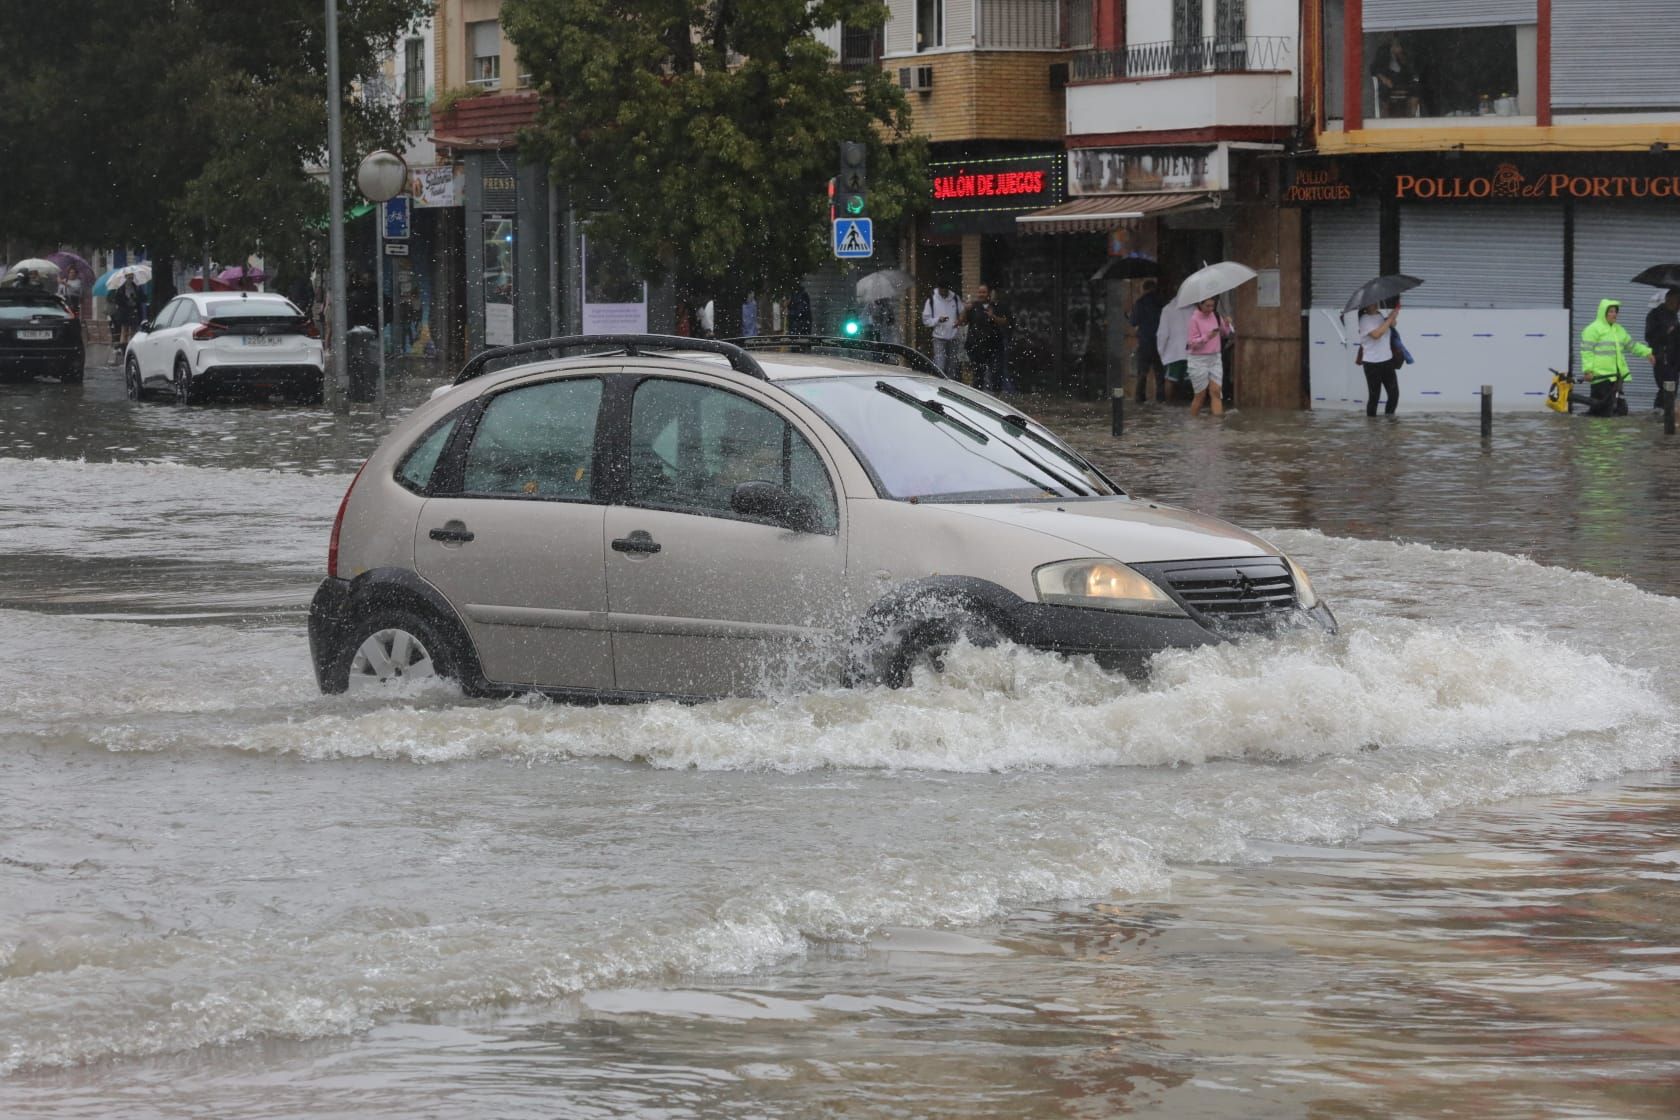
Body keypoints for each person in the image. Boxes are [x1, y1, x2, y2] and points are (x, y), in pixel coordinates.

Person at [1581, 298, 1652, 416]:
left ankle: (1614, 433)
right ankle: (1597, 433)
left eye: (1615, 312)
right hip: (1601, 378)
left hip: (1617, 378)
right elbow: (1586, 352)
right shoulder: (1592, 329)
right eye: (1611, 311)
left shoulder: (1618, 330)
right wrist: (1588, 370)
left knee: (1621, 411)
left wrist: (1647, 352)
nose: (1614, 314)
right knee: (1600, 412)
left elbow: (1632, 345)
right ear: (1603, 312)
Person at [1185, 296, 1234, 417]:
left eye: (1212, 305)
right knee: (1200, 396)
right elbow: (1192, 343)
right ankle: (1193, 422)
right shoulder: (1194, 319)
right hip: (1198, 360)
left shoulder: (1216, 315)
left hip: (1215, 358)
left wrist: (1227, 324)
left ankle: (1217, 426)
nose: (1210, 309)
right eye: (1207, 306)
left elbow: (1225, 333)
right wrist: (1207, 337)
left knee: (1216, 392)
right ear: (1200, 304)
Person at [961, 283, 1011, 392]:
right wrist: (965, 309)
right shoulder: (973, 306)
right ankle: (978, 397)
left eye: (984, 292)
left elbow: (1005, 321)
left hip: (994, 345)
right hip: (976, 346)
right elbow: (963, 322)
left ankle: (996, 396)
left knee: (996, 373)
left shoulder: (996, 306)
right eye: (979, 292)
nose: (981, 294)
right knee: (978, 374)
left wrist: (992, 316)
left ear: (988, 294)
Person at [1357, 302, 1402, 416]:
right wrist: (1389, 319)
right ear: (1366, 305)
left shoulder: (1380, 315)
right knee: (1374, 397)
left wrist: (1393, 316)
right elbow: (1377, 334)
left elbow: (1392, 325)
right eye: (1371, 303)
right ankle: (1372, 426)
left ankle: (1389, 420)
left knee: (1394, 395)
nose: (1375, 304)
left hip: (1387, 360)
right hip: (1372, 364)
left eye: (1376, 302)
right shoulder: (1364, 320)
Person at [1128, 279, 1165, 402]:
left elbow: (1133, 321)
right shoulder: (1161, 302)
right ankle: (1161, 399)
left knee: (1142, 372)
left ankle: (1140, 398)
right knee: (1160, 373)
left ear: (1144, 289)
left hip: (1145, 341)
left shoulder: (1140, 303)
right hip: (1160, 341)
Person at [1644, 288, 1680, 410]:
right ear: (1669, 299)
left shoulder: (1674, 315)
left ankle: (1664, 412)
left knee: (1673, 387)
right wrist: (1666, 332)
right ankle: (1660, 410)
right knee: (1665, 386)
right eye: (1677, 300)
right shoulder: (1654, 315)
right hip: (1661, 357)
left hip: (1674, 359)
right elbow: (1649, 336)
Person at [1155, 284, 1191, 402]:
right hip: (1191, 351)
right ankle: (1187, 403)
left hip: (1173, 352)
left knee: (1170, 379)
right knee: (1189, 379)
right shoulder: (1195, 309)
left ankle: (1169, 405)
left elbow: (1162, 334)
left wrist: (1162, 351)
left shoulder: (1167, 309)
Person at [1369, 36, 1420, 117]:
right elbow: (1374, 68)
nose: (1400, 48)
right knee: (1384, 90)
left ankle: (1413, 115)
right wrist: (1384, 79)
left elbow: (1410, 70)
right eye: (1397, 45)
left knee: (1416, 87)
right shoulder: (1383, 53)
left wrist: (1402, 57)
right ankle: (1385, 116)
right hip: (1388, 80)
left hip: (1402, 80)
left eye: (1399, 45)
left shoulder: (1403, 55)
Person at [921, 280, 962, 379]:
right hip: (939, 338)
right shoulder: (932, 300)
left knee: (953, 367)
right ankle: (940, 385)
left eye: (945, 289)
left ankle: (951, 388)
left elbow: (962, 313)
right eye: (941, 289)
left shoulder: (955, 299)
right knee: (940, 366)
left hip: (953, 337)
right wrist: (938, 320)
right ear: (938, 288)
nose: (943, 291)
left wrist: (959, 321)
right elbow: (926, 320)